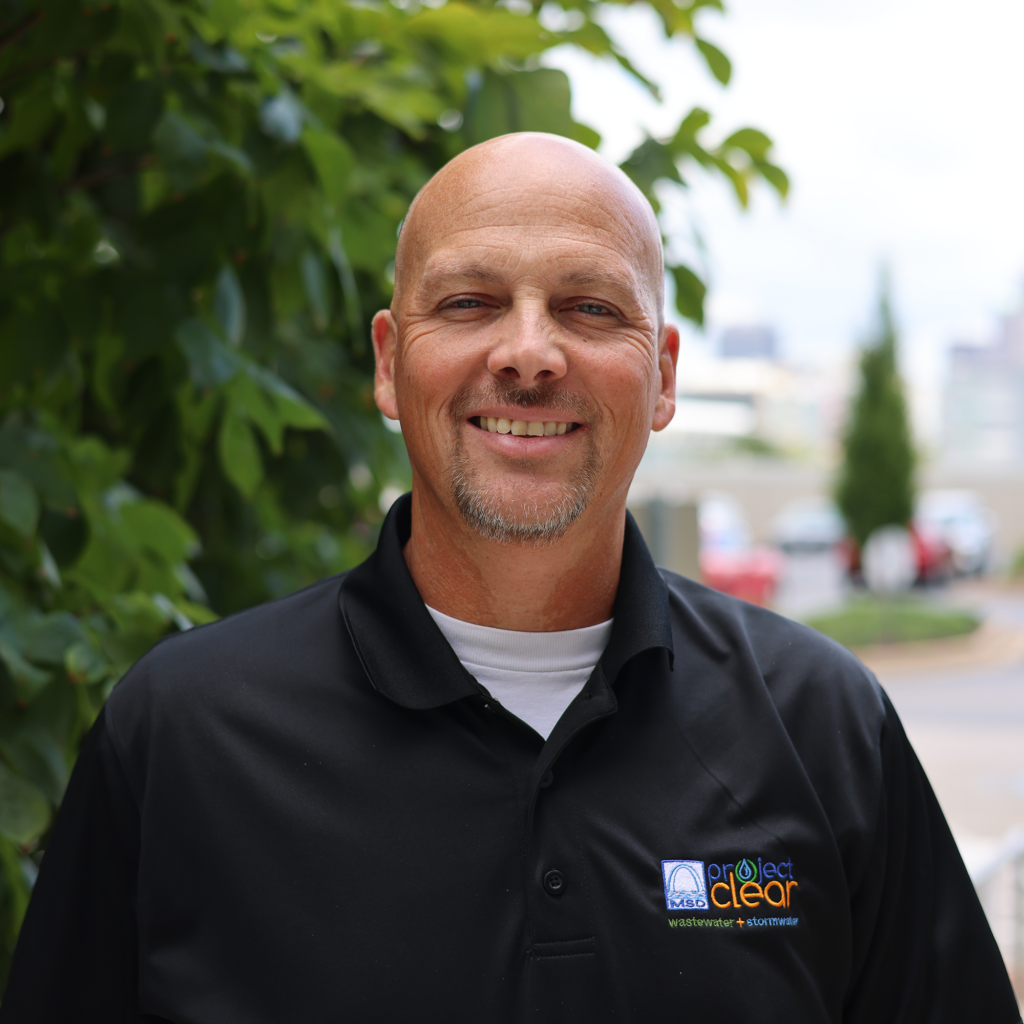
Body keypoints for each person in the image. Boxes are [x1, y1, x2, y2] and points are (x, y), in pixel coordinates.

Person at [1, 133, 1019, 1024]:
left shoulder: (826, 726)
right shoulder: (179, 737)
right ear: (389, 363)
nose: (529, 355)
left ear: (663, 376)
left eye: (588, 307)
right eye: (469, 302)